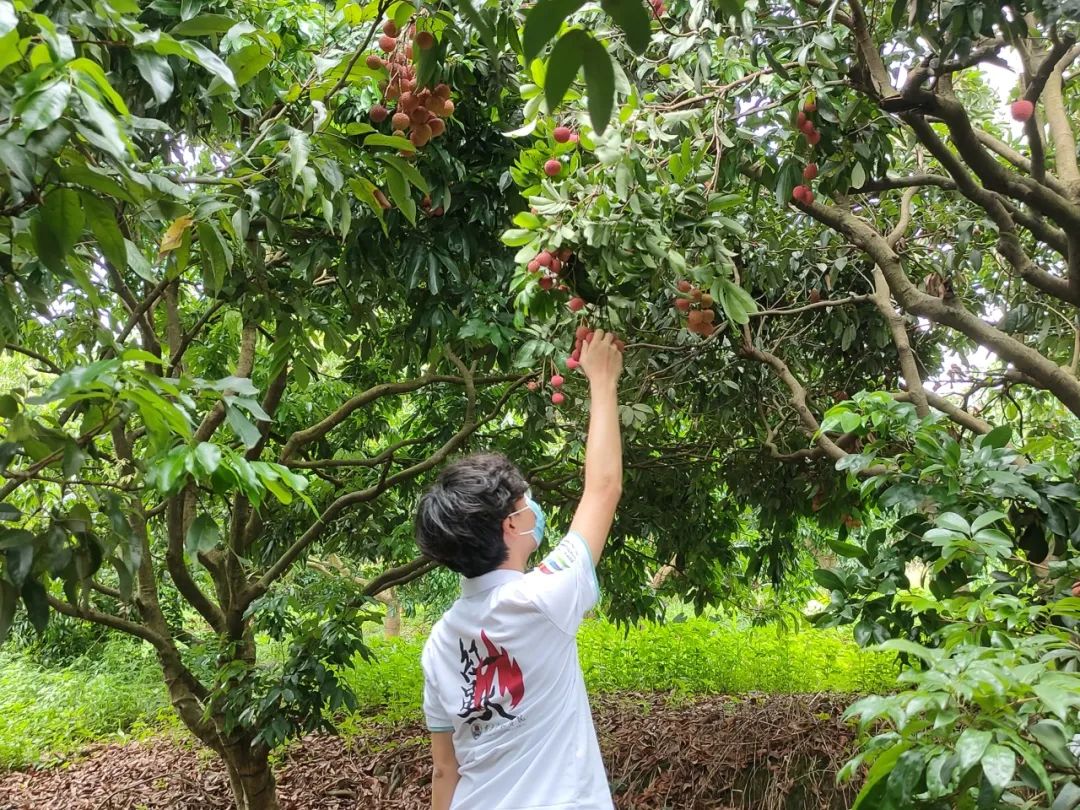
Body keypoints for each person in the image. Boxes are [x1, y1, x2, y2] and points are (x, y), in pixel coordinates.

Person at [414, 329, 624, 810]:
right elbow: (603, 489)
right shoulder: (541, 599)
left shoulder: (439, 644)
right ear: (513, 525)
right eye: (527, 501)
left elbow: (445, 769)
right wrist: (603, 381)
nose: (535, 507)